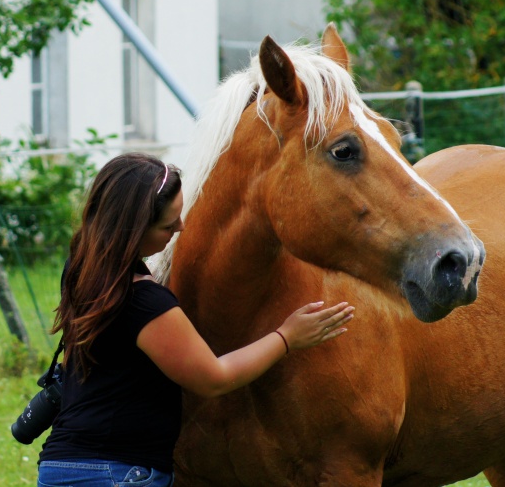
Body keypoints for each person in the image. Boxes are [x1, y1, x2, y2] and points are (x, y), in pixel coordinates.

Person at [37, 152, 354, 487]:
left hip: (62, 466)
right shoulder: (145, 303)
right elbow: (213, 378)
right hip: (117, 473)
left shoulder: (81, 267)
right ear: (132, 229)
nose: (181, 227)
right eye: (167, 225)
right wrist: (288, 337)